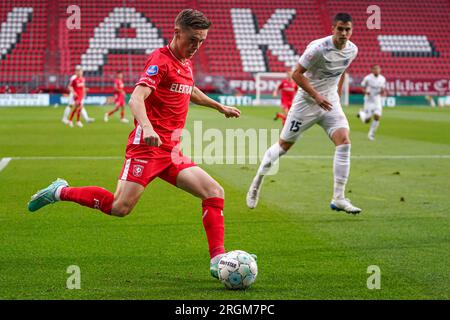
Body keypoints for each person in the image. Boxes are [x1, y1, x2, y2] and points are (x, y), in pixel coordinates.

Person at [28, 9, 246, 279]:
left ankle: (218, 260)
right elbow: (136, 98)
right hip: (147, 148)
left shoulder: (185, 63)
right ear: (177, 33)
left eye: (201, 41)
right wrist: (147, 126)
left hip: (172, 151)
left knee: (214, 191)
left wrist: (219, 106)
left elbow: (189, 89)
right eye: (193, 40)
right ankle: (60, 191)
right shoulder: (160, 60)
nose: (196, 47)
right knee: (120, 207)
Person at [247, 13, 361, 214]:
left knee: (344, 142)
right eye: (340, 29)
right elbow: (296, 74)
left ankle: (339, 198)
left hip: (330, 102)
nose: (344, 33)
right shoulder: (317, 49)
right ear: (333, 29)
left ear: (351, 30)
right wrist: (316, 95)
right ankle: (257, 181)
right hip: (306, 103)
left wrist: (336, 95)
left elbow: (341, 72)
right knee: (283, 146)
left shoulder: (352, 50)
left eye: (348, 29)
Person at [358, 65, 387, 140]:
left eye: (378, 69)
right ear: (372, 70)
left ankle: (371, 134)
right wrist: (365, 92)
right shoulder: (368, 78)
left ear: (380, 70)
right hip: (369, 100)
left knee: (377, 116)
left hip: (377, 99)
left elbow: (382, 89)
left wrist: (383, 92)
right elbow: (362, 87)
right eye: (375, 69)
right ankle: (361, 113)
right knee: (367, 120)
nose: (377, 70)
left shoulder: (382, 79)